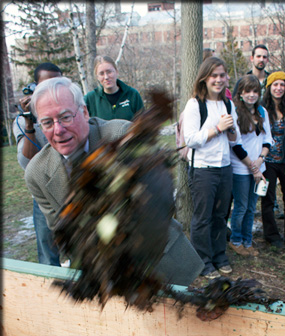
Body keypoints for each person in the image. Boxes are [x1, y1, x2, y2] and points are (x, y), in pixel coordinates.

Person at [24, 76, 204, 285]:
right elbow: (62, 233)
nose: (58, 129)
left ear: (84, 112)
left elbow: (159, 201)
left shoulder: (122, 135)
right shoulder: (36, 173)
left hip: (161, 261)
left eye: (65, 117)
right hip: (103, 277)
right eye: (47, 122)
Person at [183, 56, 241, 279]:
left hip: (225, 167)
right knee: (203, 217)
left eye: (222, 75)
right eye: (214, 76)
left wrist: (231, 129)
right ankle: (202, 261)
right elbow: (191, 140)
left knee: (220, 216)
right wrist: (217, 128)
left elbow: (235, 140)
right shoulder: (195, 104)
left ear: (227, 78)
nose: (218, 80)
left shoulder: (228, 104)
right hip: (203, 169)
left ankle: (219, 255)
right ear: (205, 78)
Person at [13, 62, 62, 266]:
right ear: (35, 86)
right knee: (48, 256)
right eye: (46, 82)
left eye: (57, 82)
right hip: (44, 198)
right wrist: (29, 122)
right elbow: (27, 161)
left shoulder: (67, 113)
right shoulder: (23, 120)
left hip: (72, 193)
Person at [229, 75, 273, 256]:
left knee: (251, 207)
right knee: (241, 206)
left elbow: (268, 138)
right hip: (240, 168)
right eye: (247, 91)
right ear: (240, 93)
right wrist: (252, 167)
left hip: (259, 168)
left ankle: (247, 241)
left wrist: (261, 160)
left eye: (255, 91)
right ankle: (236, 240)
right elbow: (235, 144)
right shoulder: (235, 112)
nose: (251, 95)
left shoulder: (262, 112)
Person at [261, 71, 285, 251]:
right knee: (267, 199)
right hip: (267, 161)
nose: (279, 88)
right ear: (269, 87)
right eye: (275, 85)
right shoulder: (262, 107)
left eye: (282, 84)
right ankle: (272, 236)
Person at [84, 55, 144, 121]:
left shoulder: (133, 95)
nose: (106, 77)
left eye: (109, 72)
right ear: (97, 77)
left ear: (116, 71)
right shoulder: (90, 99)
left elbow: (143, 124)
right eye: (101, 74)